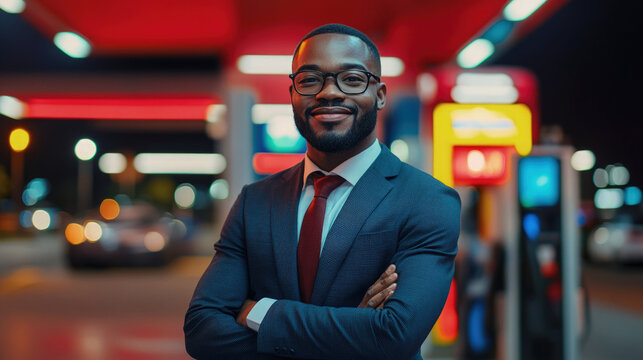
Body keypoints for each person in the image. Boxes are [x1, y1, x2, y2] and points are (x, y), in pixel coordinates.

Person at [184, 23, 460, 360]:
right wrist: (355, 332)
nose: (329, 92)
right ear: (292, 94)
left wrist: (260, 313)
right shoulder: (255, 201)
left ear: (381, 95)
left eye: (353, 79)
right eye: (310, 79)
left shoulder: (427, 200)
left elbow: (394, 335)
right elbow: (201, 330)